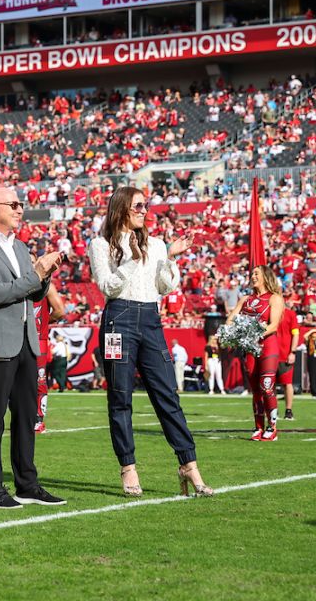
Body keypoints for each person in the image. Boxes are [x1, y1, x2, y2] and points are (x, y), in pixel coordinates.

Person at [89, 186, 214, 497]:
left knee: (167, 394)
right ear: (121, 209)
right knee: (120, 397)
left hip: (150, 318)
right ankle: (128, 467)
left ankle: (188, 464)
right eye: (138, 206)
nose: (145, 211)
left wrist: (169, 259)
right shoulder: (101, 244)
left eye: (145, 206)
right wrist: (132, 259)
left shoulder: (157, 244)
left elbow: (166, 287)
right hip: (118, 318)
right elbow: (107, 286)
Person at [0, 186, 66, 509]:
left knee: (26, 416)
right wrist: (36, 273)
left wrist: (45, 276)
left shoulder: (19, 247)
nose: (21, 209)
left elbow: (33, 294)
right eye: (15, 204)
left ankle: (27, 484)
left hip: (25, 340)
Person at [228, 265, 287, 442]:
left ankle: (272, 427)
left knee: (266, 385)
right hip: (250, 348)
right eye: (252, 273)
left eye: (256, 274)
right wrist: (233, 332)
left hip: (267, 345)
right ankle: (258, 427)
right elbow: (230, 319)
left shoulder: (274, 298)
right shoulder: (245, 298)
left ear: (265, 277)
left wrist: (253, 334)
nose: (252, 276)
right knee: (255, 389)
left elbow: (273, 325)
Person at [33, 270, 66, 434]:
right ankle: (22, 417)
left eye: (33, 261)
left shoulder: (46, 286)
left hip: (38, 339)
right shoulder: (15, 282)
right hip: (17, 338)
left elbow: (59, 311)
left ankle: (38, 419)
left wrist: (44, 321)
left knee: (39, 378)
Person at [277, 304, 301, 420]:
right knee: (268, 384)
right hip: (270, 354)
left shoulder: (290, 314)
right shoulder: (268, 313)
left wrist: (293, 352)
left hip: (285, 354)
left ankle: (288, 410)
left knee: (287, 383)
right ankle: (272, 410)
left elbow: (295, 334)